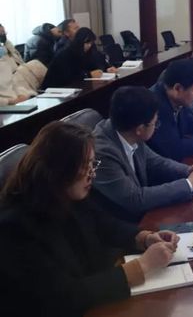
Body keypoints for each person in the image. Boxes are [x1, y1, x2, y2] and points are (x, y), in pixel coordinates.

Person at [0, 121, 178, 316]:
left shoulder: (66, 194)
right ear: (59, 169)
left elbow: (106, 225)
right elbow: (63, 296)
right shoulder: (14, 228)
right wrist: (143, 266)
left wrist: (145, 238)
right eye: (85, 166)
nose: (92, 173)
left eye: (93, 164)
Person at [92, 86, 193, 222]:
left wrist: (188, 170)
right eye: (155, 123)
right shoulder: (103, 153)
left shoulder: (128, 130)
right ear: (139, 129)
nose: (156, 127)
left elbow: (156, 162)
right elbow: (134, 199)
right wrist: (189, 184)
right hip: (121, 224)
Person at [42, 27, 108, 88]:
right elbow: (68, 77)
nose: (89, 46)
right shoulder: (66, 54)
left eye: (91, 43)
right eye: (87, 42)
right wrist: (89, 75)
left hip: (72, 88)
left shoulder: (86, 52)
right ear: (79, 41)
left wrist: (106, 68)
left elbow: (94, 65)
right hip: (55, 88)